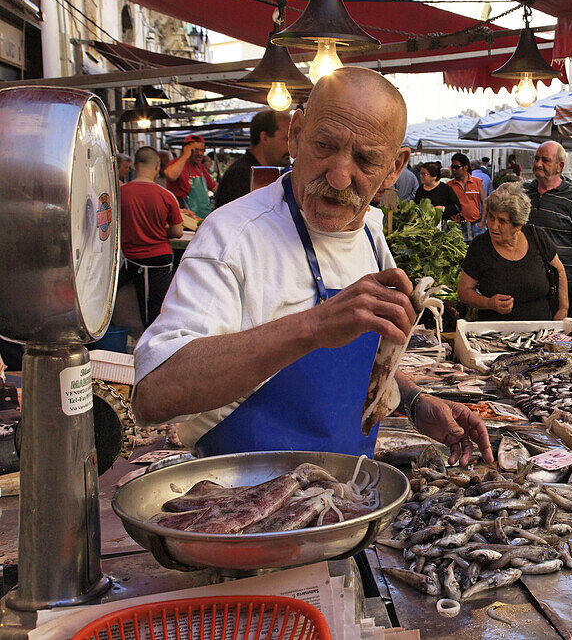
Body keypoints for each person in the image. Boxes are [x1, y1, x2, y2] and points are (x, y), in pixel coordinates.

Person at [131, 68, 493, 466]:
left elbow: (366, 355)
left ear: (395, 167)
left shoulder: (372, 233)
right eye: (324, 145)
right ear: (296, 134)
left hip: (348, 496)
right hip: (244, 506)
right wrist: (313, 326)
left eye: (366, 160)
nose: (339, 178)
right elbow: (154, 395)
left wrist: (412, 400)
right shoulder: (232, 237)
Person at [458, 182, 569, 322]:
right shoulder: (480, 246)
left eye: (502, 221)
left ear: (518, 225)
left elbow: (559, 271)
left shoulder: (537, 237)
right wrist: (488, 303)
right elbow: (464, 292)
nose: (493, 226)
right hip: (494, 331)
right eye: (491, 216)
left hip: (540, 327)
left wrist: (563, 308)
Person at [524, 141, 572, 331]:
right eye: (536, 158)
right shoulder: (524, 194)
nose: (538, 163)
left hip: (566, 290)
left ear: (560, 166)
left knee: (568, 347)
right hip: (530, 289)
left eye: (545, 160)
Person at [119, 146, 184, 327]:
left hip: (130, 261)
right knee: (156, 313)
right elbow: (178, 232)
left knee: (136, 311)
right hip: (159, 260)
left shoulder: (120, 193)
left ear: (133, 165)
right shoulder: (166, 195)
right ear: (157, 166)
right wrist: (159, 229)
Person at [214, 110, 291, 208]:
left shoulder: (268, 174)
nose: (291, 146)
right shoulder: (241, 175)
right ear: (265, 138)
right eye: (286, 139)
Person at [164, 134, 217, 219]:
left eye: (202, 150)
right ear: (186, 150)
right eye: (195, 150)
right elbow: (171, 175)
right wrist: (185, 155)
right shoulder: (177, 163)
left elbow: (215, 187)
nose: (199, 154)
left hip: (203, 218)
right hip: (185, 219)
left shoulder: (200, 168)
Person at [448, 153, 486, 241]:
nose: (453, 170)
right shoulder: (449, 185)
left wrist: (482, 221)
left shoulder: (477, 182)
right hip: (456, 226)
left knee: (477, 250)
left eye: (456, 167)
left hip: (475, 225)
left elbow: (484, 202)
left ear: (465, 167)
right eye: (452, 167)